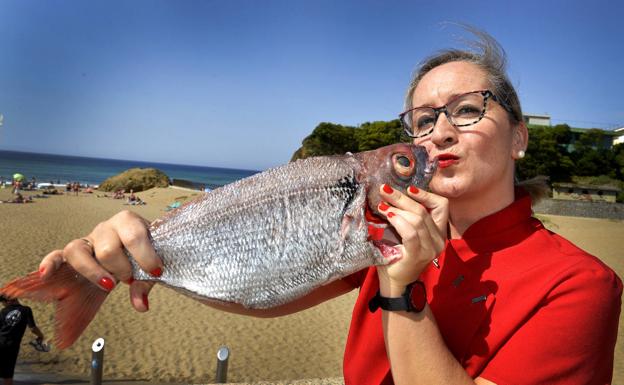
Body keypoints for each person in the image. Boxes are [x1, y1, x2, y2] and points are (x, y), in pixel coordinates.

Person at [37, 29, 622, 384]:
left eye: (468, 109)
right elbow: (269, 293)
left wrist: (402, 290)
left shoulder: (579, 283)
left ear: (519, 135)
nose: (440, 133)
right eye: (422, 121)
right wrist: (144, 258)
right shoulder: (384, 230)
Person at [0, 296, 45, 385]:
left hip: (1, 342)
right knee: (8, 374)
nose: (3, 305)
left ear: (8, 301)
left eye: (3, 302)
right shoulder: (26, 310)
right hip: (12, 346)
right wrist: (41, 335)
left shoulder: (3, 311)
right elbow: (32, 328)